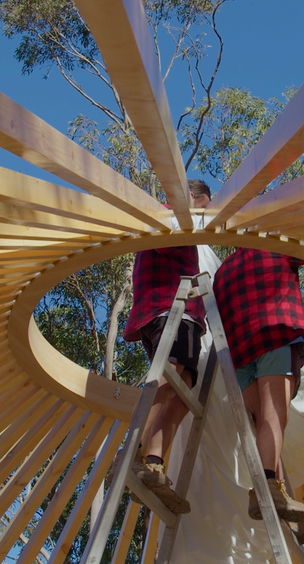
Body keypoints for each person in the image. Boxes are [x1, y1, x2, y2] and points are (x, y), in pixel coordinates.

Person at [121, 179, 213, 514]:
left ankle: (154, 463)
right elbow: (169, 245)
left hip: (168, 311)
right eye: (200, 210)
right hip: (169, 306)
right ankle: (133, 452)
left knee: (184, 385)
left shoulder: (169, 219)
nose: (199, 220)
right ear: (190, 198)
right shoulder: (168, 216)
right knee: (171, 375)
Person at [212, 247, 304, 523]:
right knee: (274, 416)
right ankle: (265, 487)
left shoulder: (222, 273)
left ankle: (277, 492)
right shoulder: (276, 247)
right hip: (275, 336)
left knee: (264, 424)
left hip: (239, 358)